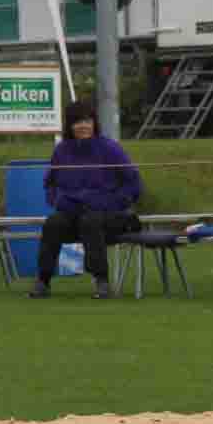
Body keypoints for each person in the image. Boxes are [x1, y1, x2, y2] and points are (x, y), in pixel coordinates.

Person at [28, 98, 144, 301]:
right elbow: (50, 185)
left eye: (87, 121)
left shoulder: (110, 148)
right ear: (69, 125)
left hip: (111, 216)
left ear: (94, 123)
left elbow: (134, 184)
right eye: (77, 122)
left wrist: (111, 202)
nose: (83, 126)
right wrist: (59, 201)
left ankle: (102, 281)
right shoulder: (61, 150)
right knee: (53, 223)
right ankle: (43, 281)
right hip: (74, 215)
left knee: (90, 221)